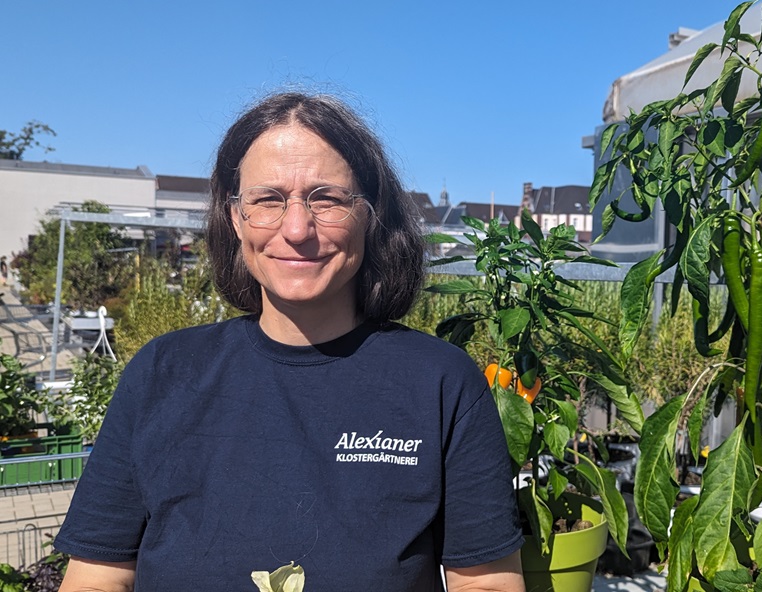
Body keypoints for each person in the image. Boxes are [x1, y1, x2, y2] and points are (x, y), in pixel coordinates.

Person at [55, 93, 525, 591]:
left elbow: (486, 583)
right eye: (267, 200)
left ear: (368, 213)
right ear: (235, 217)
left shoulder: (439, 382)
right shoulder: (163, 372)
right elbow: (97, 577)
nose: (297, 229)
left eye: (327, 199)